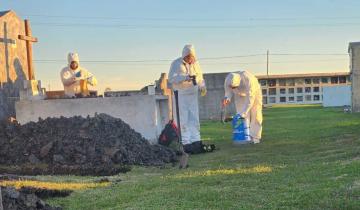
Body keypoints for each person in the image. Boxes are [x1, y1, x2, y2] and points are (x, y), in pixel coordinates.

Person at [168, 44, 207, 153]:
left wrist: (202, 86)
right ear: (184, 55)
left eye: (191, 57)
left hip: (193, 94)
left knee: (194, 118)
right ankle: (186, 143)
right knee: (183, 118)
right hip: (181, 94)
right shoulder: (176, 63)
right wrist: (185, 77)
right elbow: (171, 79)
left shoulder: (196, 64)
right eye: (187, 57)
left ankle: (196, 141)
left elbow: (200, 77)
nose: (190, 59)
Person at [222, 71, 263, 144]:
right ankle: (244, 136)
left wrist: (244, 113)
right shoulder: (228, 79)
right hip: (239, 94)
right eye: (231, 87)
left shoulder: (248, 80)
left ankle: (255, 137)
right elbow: (228, 91)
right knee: (239, 115)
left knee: (255, 113)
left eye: (234, 87)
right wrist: (227, 98)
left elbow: (250, 100)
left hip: (254, 93)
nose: (232, 88)